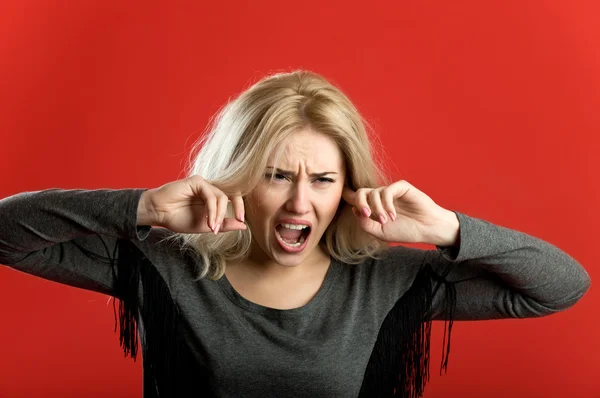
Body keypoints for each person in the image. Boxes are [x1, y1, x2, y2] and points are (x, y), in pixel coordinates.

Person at [0, 70, 591, 398]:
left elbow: (560, 286)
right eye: (276, 176)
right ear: (239, 178)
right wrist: (142, 208)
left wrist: (446, 228)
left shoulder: (388, 282)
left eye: (324, 179)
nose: (299, 202)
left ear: (348, 188)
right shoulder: (165, 266)